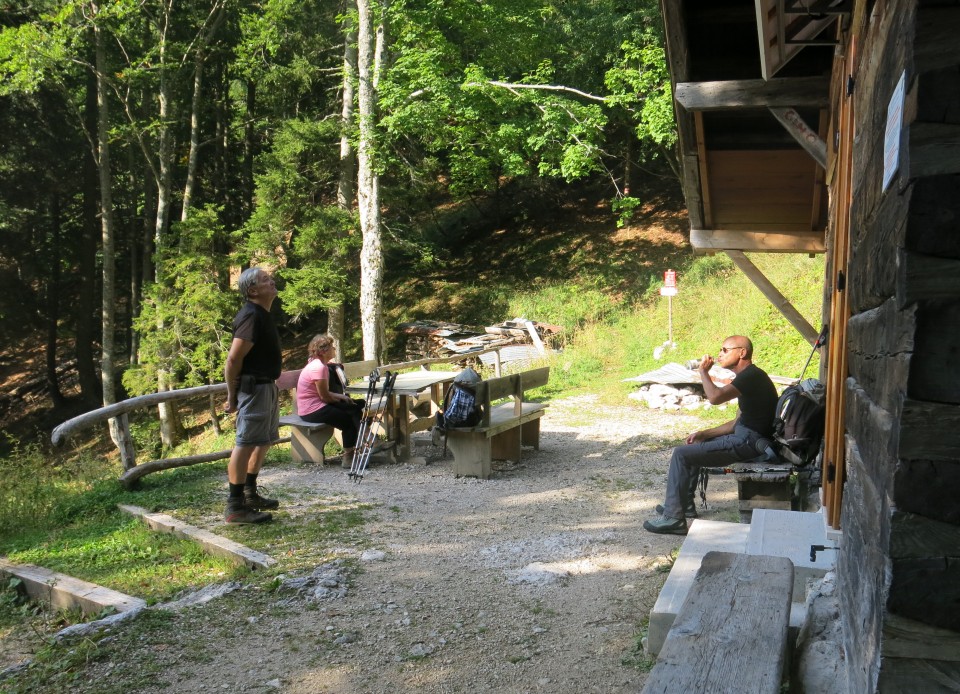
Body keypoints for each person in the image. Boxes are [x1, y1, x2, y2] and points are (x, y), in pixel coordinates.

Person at [644, 335, 779, 536]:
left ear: (742, 352)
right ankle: (684, 506)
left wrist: (703, 373)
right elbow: (736, 423)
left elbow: (715, 398)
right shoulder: (748, 378)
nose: (719, 354)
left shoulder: (752, 377)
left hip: (749, 442)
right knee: (692, 447)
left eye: (725, 350)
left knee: (681, 454)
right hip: (745, 437)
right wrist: (704, 434)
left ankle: (673, 519)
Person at [223, 267, 282, 524]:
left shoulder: (262, 315)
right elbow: (234, 359)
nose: (272, 281)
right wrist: (231, 394)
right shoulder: (251, 316)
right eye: (265, 280)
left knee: (264, 440)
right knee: (245, 442)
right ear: (253, 290)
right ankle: (235, 507)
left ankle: (249, 494)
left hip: (266, 386)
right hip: (254, 388)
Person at [295, 334, 365, 469]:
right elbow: (324, 397)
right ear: (323, 351)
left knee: (356, 406)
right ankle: (349, 456)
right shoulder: (319, 368)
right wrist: (340, 399)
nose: (334, 349)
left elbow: (324, 394)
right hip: (312, 410)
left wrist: (342, 398)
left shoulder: (319, 365)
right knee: (349, 420)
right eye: (332, 347)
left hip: (314, 406)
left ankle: (366, 441)